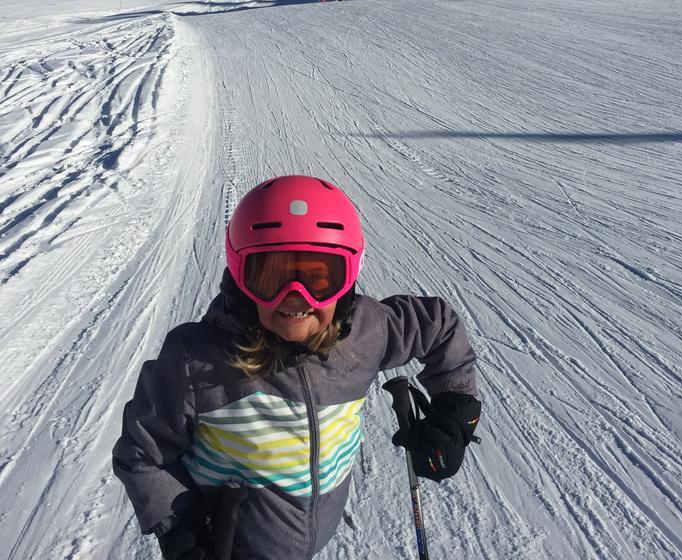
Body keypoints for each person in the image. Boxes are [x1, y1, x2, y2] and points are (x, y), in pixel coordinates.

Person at [113, 175, 481, 560]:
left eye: (319, 278)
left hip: (314, 537)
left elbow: (439, 327)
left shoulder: (367, 333)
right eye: (271, 277)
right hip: (234, 547)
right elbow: (141, 453)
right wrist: (181, 525)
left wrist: (455, 410)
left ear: (349, 275)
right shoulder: (197, 361)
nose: (296, 297)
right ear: (241, 277)